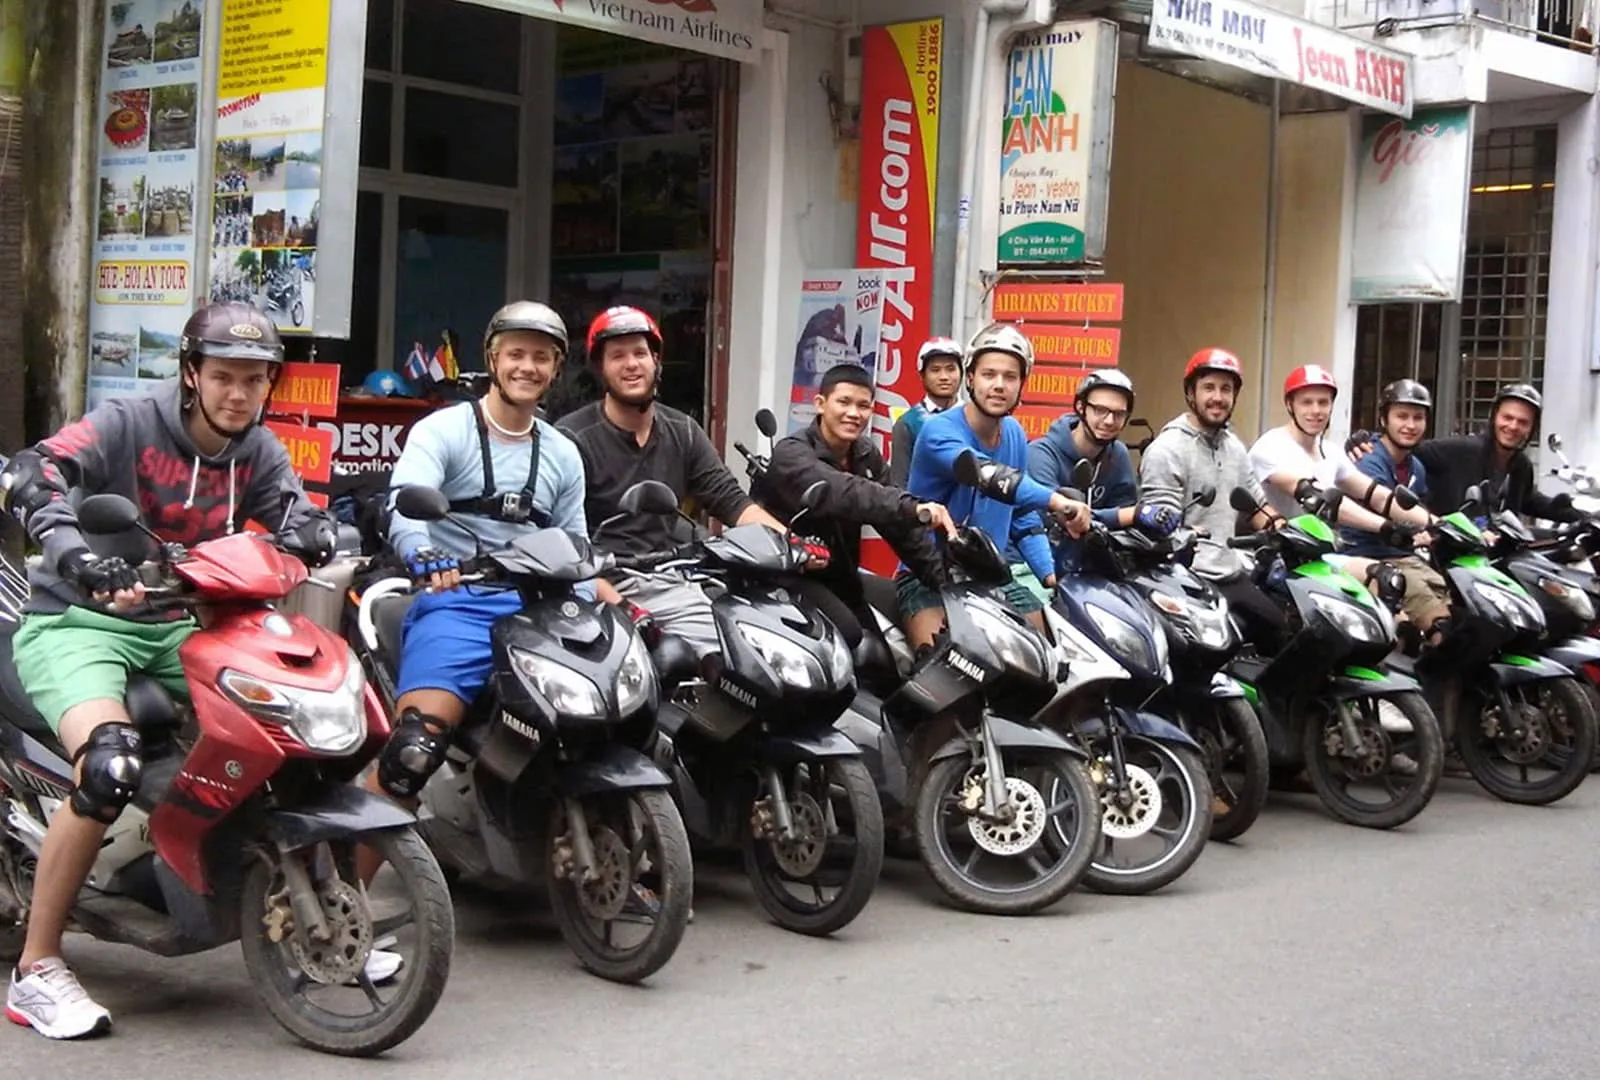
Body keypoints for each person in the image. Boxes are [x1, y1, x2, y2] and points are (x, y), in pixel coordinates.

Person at [0, 301, 339, 1040]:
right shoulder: (128, 422)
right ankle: (38, 968)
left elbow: (297, 513)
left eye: (255, 379)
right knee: (110, 766)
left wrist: (316, 530)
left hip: (183, 626)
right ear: (191, 374)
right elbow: (32, 471)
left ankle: (312, 914)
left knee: (293, 727)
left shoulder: (258, 449)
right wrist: (77, 557)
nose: (239, 395)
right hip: (79, 623)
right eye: (223, 377)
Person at [368, 301, 611, 805]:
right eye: (516, 354)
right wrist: (421, 553)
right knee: (412, 754)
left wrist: (590, 603)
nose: (528, 367)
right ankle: (355, 857)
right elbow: (405, 502)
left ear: (556, 368)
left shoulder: (564, 452)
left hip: (541, 612)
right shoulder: (443, 430)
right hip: (459, 602)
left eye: (541, 357)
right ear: (493, 359)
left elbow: (576, 543)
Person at [558, 305, 794, 657]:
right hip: (594, 586)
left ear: (656, 361)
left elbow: (730, 500)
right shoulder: (572, 439)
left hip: (667, 579)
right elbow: (565, 546)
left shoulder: (682, 430)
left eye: (640, 353)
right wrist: (622, 606)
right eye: (617, 356)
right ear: (601, 368)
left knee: (745, 654)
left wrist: (790, 543)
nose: (631, 364)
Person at [899, 322, 1091, 651]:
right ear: (970, 379)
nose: (999, 385)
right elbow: (987, 475)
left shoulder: (1014, 433)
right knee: (942, 665)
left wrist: (1049, 576)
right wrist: (1058, 501)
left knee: (1048, 654)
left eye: (1010, 377)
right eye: (989, 374)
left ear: (1021, 385)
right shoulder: (938, 431)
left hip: (991, 576)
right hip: (928, 576)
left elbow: (1022, 516)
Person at [761, 363, 956, 649]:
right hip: (787, 578)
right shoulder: (791, 452)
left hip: (843, 578)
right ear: (820, 404)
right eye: (844, 402)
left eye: (863, 406)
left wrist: (947, 584)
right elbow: (843, 491)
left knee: (887, 662)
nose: (854, 413)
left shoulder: (865, 454)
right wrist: (914, 508)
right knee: (853, 639)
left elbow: (898, 529)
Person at [1248, 365, 1433, 587]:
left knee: (1386, 580)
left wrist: (1436, 523)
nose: (1316, 410)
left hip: (1317, 556)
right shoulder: (1271, 446)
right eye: (1307, 402)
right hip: (1274, 557)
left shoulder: (1330, 451)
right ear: (1290, 404)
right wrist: (1386, 527)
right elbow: (1320, 500)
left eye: (1323, 402)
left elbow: (1377, 495)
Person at [1138, 348, 1286, 625]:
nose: (1218, 397)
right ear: (1190, 393)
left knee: (1280, 629)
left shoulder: (1235, 447)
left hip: (1230, 573)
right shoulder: (1167, 449)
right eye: (1208, 388)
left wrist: (1283, 530)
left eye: (1226, 389)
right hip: (1183, 580)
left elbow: (1256, 508)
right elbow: (1159, 527)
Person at [1022, 369, 1178, 593]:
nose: (1109, 421)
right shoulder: (1041, 454)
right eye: (1100, 410)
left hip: (1094, 574)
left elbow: (1123, 516)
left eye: (1119, 414)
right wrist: (1135, 514)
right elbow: (1063, 517)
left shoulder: (1118, 454)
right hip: (1039, 571)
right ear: (1080, 407)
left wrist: (1159, 521)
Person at [1350, 383, 1583, 524]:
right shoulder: (1462, 450)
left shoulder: (1521, 466)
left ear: (1532, 429)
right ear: (1493, 417)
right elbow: (1407, 445)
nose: (1513, 426)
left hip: (1492, 554)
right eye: (1507, 417)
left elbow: (1528, 500)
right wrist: (1367, 440)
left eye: (1523, 422)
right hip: (1447, 553)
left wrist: (1581, 514)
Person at [1337, 379, 1451, 644]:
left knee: (1459, 606)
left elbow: (1418, 507)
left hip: (1407, 558)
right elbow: (1389, 506)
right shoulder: (1367, 459)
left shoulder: (1416, 467)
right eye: (1401, 416)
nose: (1410, 425)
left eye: (1418, 417)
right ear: (1383, 418)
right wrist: (1431, 524)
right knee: (1440, 627)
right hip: (1368, 557)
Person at [888, 337, 963, 488]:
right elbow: (899, 484)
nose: (944, 377)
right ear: (922, 375)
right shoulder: (908, 423)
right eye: (935, 370)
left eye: (951, 369)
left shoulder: (976, 418)